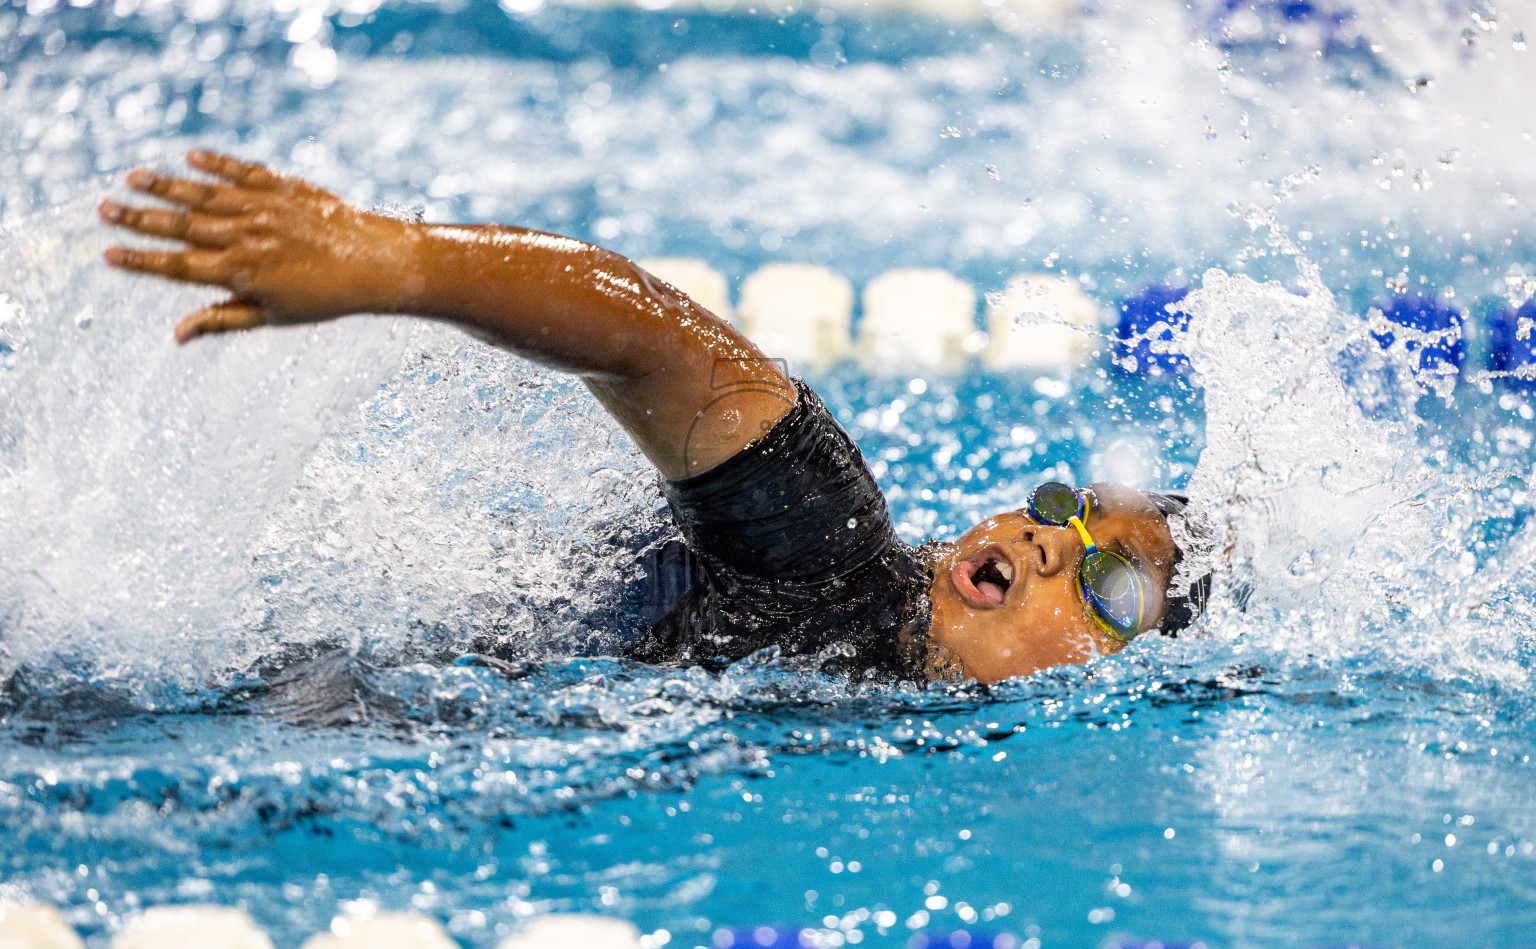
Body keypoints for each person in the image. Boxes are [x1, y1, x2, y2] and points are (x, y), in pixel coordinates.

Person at [98, 150, 1203, 685]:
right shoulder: (829, 554)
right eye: (1067, 505)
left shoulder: (884, 680)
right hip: (315, 690)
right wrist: (392, 258)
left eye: (1110, 581)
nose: (1053, 535)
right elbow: (654, 337)